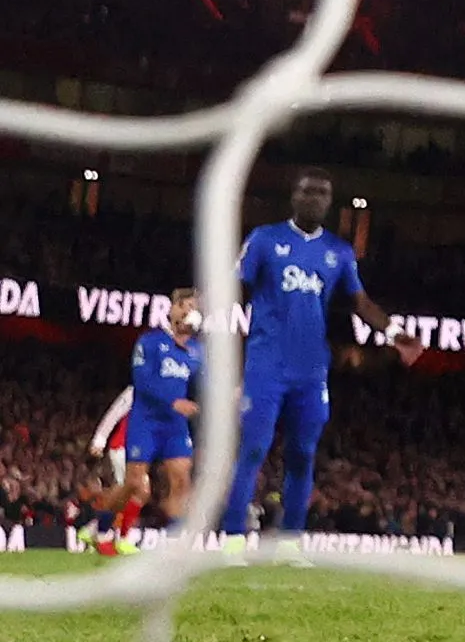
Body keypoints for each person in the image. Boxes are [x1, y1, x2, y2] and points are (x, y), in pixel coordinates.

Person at [223, 168, 425, 554]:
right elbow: (235, 285)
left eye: (322, 193)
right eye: (307, 191)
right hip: (265, 366)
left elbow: (359, 302)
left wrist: (394, 333)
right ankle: (232, 540)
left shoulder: (339, 251)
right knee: (253, 448)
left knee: (303, 454)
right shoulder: (265, 240)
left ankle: (290, 545)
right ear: (293, 197)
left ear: (330, 203)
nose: (314, 198)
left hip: (312, 370)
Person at [86, 290, 204, 556]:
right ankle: (103, 529)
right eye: (184, 306)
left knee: (182, 479)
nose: (188, 312)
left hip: (175, 426)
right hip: (146, 422)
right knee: (133, 484)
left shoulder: (197, 351)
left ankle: (175, 545)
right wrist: (173, 401)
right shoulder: (150, 342)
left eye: (193, 307)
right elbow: (142, 380)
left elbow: (204, 383)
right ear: (172, 310)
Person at [78, 386, 134, 551]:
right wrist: (99, 440)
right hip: (122, 447)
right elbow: (114, 413)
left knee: (125, 493)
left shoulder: (164, 391)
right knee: (132, 490)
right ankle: (111, 536)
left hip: (135, 451)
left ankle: (93, 529)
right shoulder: (136, 390)